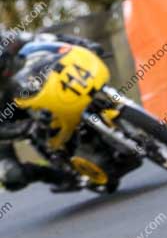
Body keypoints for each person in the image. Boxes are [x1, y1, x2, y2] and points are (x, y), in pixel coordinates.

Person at [0, 30, 105, 192]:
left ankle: (106, 114)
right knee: (12, 176)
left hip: (44, 85)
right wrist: (24, 128)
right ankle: (61, 175)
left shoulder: (13, 40)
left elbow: (53, 40)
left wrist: (85, 45)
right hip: (14, 115)